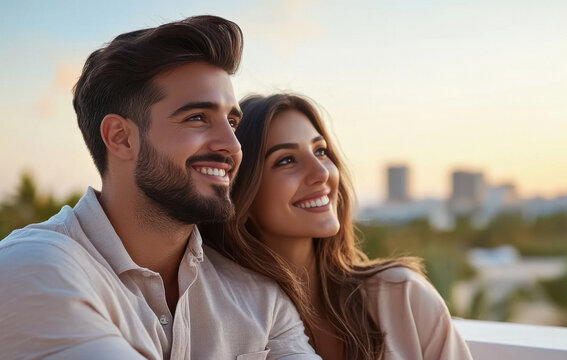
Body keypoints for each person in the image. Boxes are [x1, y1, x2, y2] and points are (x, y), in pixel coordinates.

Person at [0, 17, 320, 359]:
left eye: (231, 122)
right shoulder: (32, 268)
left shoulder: (262, 302)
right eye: (197, 117)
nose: (232, 144)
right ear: (121, 138)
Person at [200, 94, 473, 360]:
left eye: (320, 151)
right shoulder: (222, 323)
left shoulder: (403, 297)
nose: (321, 173)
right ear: (241, 195)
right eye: (286, 160)